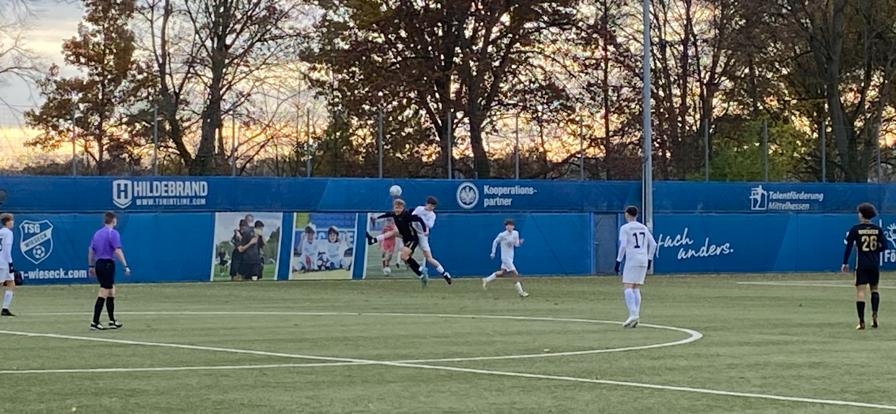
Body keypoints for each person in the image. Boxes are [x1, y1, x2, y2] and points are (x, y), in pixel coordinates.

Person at [842, 202, 887, 330]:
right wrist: (875, 251)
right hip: (874, 264)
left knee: (861, 291)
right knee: (874, 289)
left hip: (861, 264)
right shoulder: (877, 229)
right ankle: (875, 315)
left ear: (862, 214)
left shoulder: (856, 229)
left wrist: (845, 262)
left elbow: (849, 247)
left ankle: (861, 322)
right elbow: (885, 246)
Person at [366, 199, 428, 286]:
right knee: (404, 257)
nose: (397, 210)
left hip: (412, 239)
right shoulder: (393, 214)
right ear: (394, 208)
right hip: (405, 238)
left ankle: (422, 270)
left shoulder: (406, 215)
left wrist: (425, 230)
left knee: (404, 256)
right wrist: (376, 218)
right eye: (396, 208)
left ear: (403, 208)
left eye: (399, 208)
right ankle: (421, 274)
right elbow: (386, 214)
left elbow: (419, 219)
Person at [615, 206, 657, 329]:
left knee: (628, 286)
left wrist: (618, 261)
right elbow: (653, 244)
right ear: (637, 215)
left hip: (632, 259)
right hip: (643, 259)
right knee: (636, 287)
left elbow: (623, 245)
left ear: (627, 214)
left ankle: (633, 314)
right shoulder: (643, 227)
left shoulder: (625, 228)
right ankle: (636, 315)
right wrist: (649, 259)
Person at [88, 212, 131, 330]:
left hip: (99, 263)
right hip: (107, 264)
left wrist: (91, 266)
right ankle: (95, 322)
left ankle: (112, 320)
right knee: (104, 291)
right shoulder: (113, 233)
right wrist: (125, 265)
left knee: (111, 291)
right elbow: (117, 250)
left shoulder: (97, 233)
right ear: (114, 220)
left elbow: (91, 250)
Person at [482, 219, 528, 297]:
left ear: (513, 226)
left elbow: (516, 245)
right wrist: (493, 252)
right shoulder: (502, 235)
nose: (509, 227)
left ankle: (486, 280)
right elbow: (495, 242)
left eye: (510, 225)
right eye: (507, 225)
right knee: (515, 274)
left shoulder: (516, 233)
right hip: (505, 258)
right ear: (505, 227)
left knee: (502, 273)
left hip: (510, 257)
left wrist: (519, 242)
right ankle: (521, 292)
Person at [412, 196, 452, 284]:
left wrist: (421, 219)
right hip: (413, 233)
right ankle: (420, 270)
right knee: (406, 254)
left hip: (422, 236)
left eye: (433, 206)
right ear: (426, 204)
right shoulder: (419, 209)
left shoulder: (432, 215)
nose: (431, 207)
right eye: (430, 205)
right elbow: (412, 217)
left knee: (429, 258)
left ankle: (444, 274)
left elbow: (430, 225)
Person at [0, 213, 16, 316]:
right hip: (4, 262)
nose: (13, 222)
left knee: (10, 283)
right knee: (8, 284)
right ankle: (5, 309)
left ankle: (5, 309)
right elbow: (7, 248)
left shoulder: (0, 232)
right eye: (11, 220)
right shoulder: (8, 233)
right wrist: (10, 263)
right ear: (7, 222)